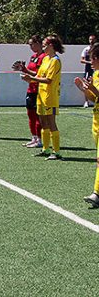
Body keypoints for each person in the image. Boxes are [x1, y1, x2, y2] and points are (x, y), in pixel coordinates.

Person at [21, 35, 64, 160]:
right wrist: (27, 74)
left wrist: (31, 79)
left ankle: (56, 152)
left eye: (45, 44)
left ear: (51, 45)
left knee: (51, 123)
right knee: (43, 122)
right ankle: (45, 148)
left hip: (50, 96)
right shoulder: (45, 59)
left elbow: (48, 80)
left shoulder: (55, 60)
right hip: (41, 94)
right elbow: (38, 75)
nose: (43, 47)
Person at [74, 43, 99, 206]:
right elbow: (94, 98)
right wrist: (85, 90)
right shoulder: (96, 74)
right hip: (96, 120)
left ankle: (96, 194)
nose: (90, 62)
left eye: (91, 59)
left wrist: (93, 90)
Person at [13, 35, 46, 148]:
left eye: (32, 44)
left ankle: (40, 139)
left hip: (38, 89)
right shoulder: (33, 57)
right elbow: (31, 71)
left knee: (37, 116)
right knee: (30, 114)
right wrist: (23, 70)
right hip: (30, 88)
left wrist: (26, 71)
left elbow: (38, 73)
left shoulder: (43, 57)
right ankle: (34, 138)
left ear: (38, 43)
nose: (30, 46)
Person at [80, 34, 97, 108]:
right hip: (88, 70)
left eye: (92, 39)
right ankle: (86, 101)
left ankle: (96, 99)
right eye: (90, 39)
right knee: (86, 84)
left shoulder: (97, 49)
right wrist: (89, 62)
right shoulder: (86, 49)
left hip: (96, 69)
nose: (91, 41)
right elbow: (82, 60)